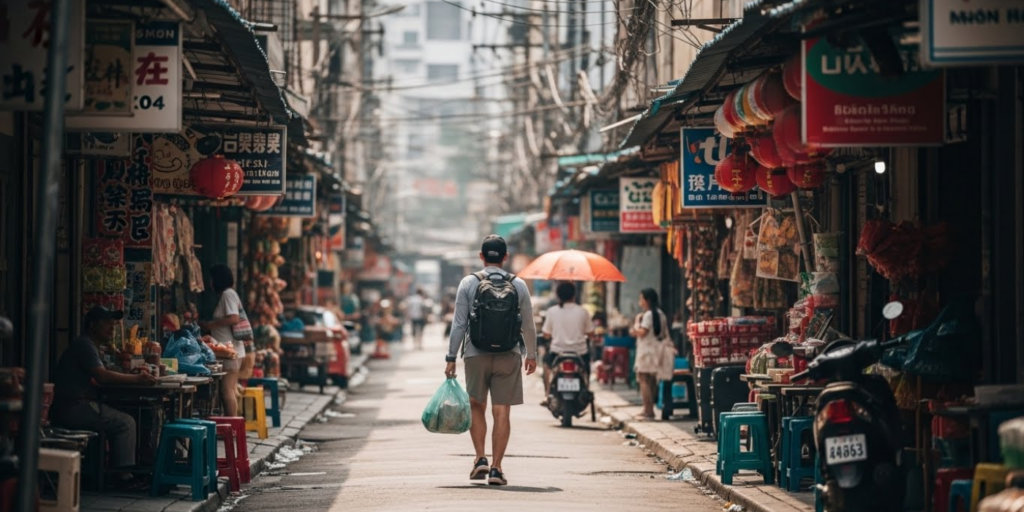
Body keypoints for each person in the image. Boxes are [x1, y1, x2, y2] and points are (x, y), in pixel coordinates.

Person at [445, 235, 537, 486]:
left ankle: (480, 459)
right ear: (505, 257)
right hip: (509, 353)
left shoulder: (469, 282)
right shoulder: (519, 285)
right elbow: (528, 325)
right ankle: (496, 469)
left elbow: (459, 324)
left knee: (476, 405)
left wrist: (451, 357)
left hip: (476, 353)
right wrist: (531, 355)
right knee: (502, 410)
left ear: (481, 256)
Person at [51, 306, 156, 490]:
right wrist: (137, 379)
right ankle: (122, 476)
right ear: (93, 325)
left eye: (113, 324)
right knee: (126, 423)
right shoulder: (84, 345)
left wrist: (128, 373)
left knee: (137, 411)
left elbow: (105, 372)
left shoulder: (92, 346)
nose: (112, 328)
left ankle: (138, 467)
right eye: (107, 323)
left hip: (81, 403)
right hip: (75, 406)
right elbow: (102, 376)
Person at [201, 264, 247, 417]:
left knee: (227, 391)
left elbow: (234, 318)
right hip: (231, 351)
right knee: (230, 390)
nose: (210, 282)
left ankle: (232, 424)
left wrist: (210, 325)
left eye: (211, 279)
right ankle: (233, 424)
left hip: (229, 352)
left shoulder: (227, 294)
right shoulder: (229, 294)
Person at [540, 282, 593, 406]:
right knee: (586, 369)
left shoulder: (552, 311)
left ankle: (547, 395)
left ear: (558, 296)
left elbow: (546, 333)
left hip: (557, 352)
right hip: (580, 352)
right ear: (574, 295)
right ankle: (586, 389)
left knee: (546, 365)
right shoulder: (583, 311)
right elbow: (591, 333)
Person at [629, 288, 671, 421]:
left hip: (646, 352)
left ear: (647, 300)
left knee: (644, 380)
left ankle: (648, 410)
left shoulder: (647, 315)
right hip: (655, 351)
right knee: (651, 381)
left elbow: (642, 332)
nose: (640, 301)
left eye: (641, 298)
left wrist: (635, 325)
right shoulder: (661, 314)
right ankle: (648, 409)